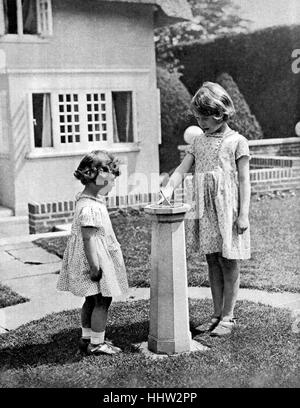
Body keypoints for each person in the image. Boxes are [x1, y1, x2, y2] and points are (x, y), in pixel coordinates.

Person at [160, 82, 251, 337]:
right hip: (205, 209)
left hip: (228, 210)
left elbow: (244, 181)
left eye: (205, 118)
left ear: (220, 114)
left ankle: (229, 316)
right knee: (212, 258)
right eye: (198, 118)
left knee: (228, 259)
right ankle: (216, 313)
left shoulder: (237, 142)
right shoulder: (199, 142)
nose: (201, 123)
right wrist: (168, 189)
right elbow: (182, 169)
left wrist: (243, 214)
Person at [57, 150, 129, 354]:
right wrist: (95, 266)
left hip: (92, 256)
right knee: (103, 299)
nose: (111, 185)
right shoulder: (90, 208)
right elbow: (88, 238)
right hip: (95, 259)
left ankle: (87, 337)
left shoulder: (86, 200)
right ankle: (97, 344)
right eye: (109, 181)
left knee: (91, 298)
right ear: (94, 176)